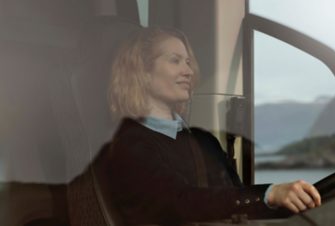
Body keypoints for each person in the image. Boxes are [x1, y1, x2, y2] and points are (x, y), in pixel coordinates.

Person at [102, 27, 321, 225]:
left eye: (188, 62)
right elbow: (181, 203)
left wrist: (291, 199)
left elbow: (238, 201)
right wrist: (270, 193)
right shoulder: (128, 146)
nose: (188, 71)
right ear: (143, 72)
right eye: (175, 60)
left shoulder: (204, 141)